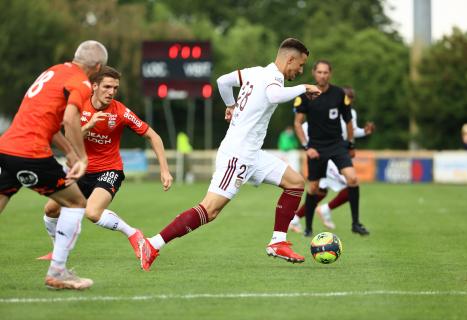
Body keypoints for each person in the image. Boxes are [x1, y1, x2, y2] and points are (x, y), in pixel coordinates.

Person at [137, 38, 321, 271]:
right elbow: (274, 96)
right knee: (210, 209)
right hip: (238, 155)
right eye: (301, 65)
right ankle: (152, 244)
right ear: (290, 59)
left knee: (295, 183)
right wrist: (304, 88)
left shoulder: (255, 72)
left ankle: (278, 242)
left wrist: (231, 106)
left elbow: (223, 81)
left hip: (252, 153)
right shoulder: (274, 78)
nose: (301, 70)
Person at [0, 40, 108, 290]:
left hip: (7, 147)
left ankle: (59, 270)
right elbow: (70, 119)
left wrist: (69, 151)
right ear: (98, 67)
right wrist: (82, 157)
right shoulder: (81, 82)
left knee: (3, 194)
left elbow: (49, 122)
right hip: (30, 152)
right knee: (76, 202)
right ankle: (58, 271)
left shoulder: (54, 71)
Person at [37, 66, 173, 261]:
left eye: (115, 88)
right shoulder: (79, 105)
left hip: (109, 170)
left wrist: (165, 170)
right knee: (51, 209)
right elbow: (68, 137)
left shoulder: (120, 112)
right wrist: (89, 125)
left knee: (93, 212)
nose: (111, 92)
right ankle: (57, 250)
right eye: (107, 87)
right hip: (81, 170)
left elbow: (153, 136)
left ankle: (133, 233)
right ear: (94, 86)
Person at [293, 60, 369, 237]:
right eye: (319, 72)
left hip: (337, 145)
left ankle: (356, 223)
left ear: (330, 74)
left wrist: (350, 144)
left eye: (325, 72)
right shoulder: (306, 95)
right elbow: (297, 123)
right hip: (316, 147)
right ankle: (309, 227)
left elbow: (349, 121)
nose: (322, 75)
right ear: (314, 73)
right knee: (313, 188)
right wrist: (306, 147)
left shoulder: (339, 94)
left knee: (352, 179)